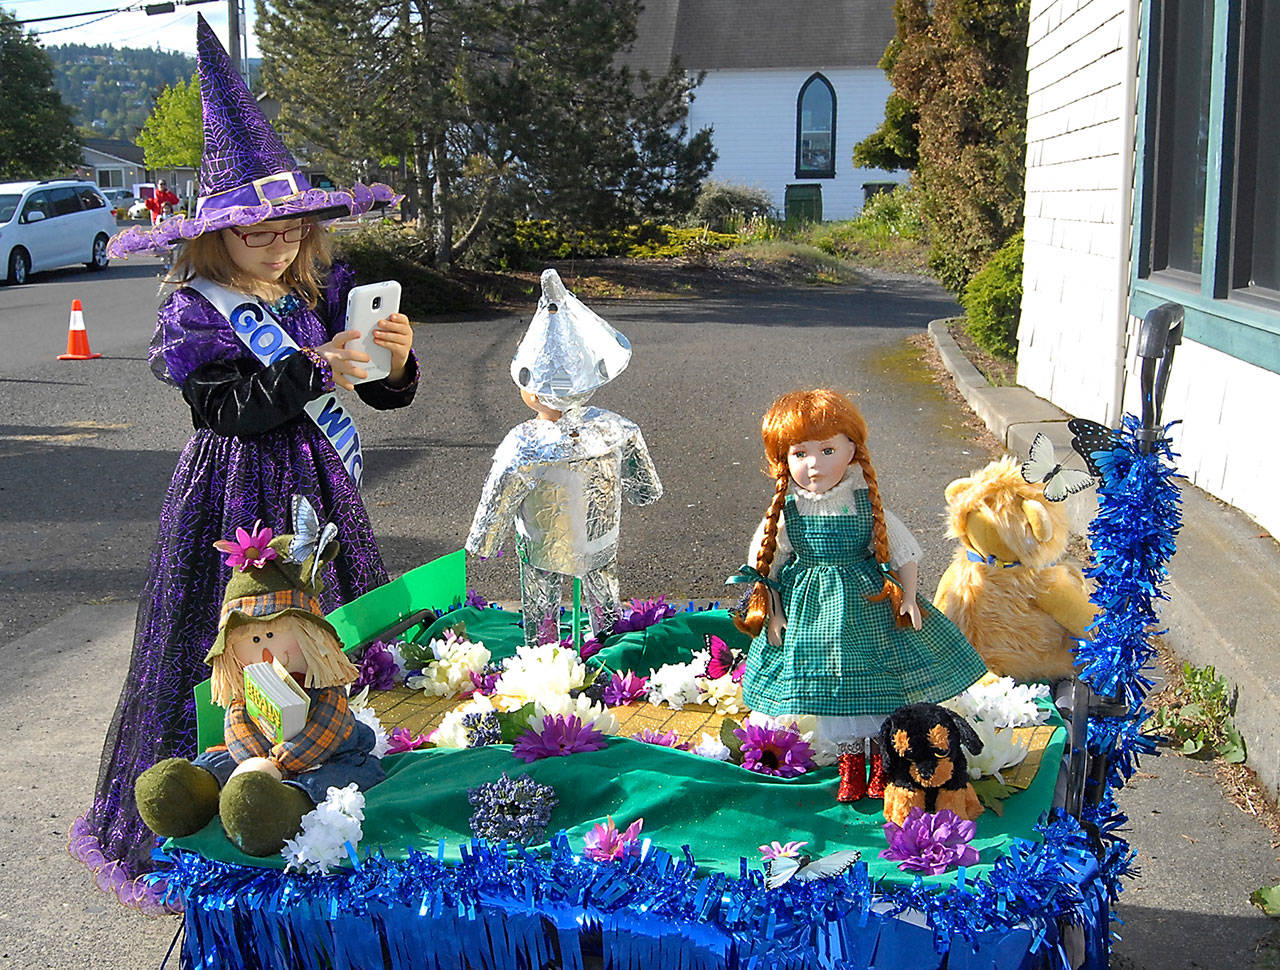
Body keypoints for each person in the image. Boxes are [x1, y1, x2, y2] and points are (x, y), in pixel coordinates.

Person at [68, 14, 410, 912]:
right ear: (214, 235)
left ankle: (332, 793)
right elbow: (225, 409)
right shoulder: (196, 309)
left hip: (317, 489)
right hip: (233, 498)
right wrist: (313, 368)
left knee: (326, 639)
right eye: (258, 232)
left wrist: (393, 361)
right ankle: (216, 798)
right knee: (229, 647)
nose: (279, 243)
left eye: (292, 229)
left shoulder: (312, 293)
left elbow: (377, 396)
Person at [730, 389, 988, 804]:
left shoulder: (866, 506)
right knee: (821, 677)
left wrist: (908, 597)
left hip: (865, 603)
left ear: (852, 449)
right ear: (783, 459)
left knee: (873, 671)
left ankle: (881, 760)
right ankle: (845, 761)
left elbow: (903, 553)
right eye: (800, 454)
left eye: (828, 450)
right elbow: (767, 568)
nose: (814, 464)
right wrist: (774, 613)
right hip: (808, 610)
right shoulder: (787, 513)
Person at [466, 269, 662, 647]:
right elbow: (643, 483)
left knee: (541, 598)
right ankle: (609, 643)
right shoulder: (614, 427)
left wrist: (484, 540)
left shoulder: (523, 442)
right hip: (600, 538)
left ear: (533, 388)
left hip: (543, 545)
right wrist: (643, 492)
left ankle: (545, 653)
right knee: (603, 589)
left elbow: (500, 494)